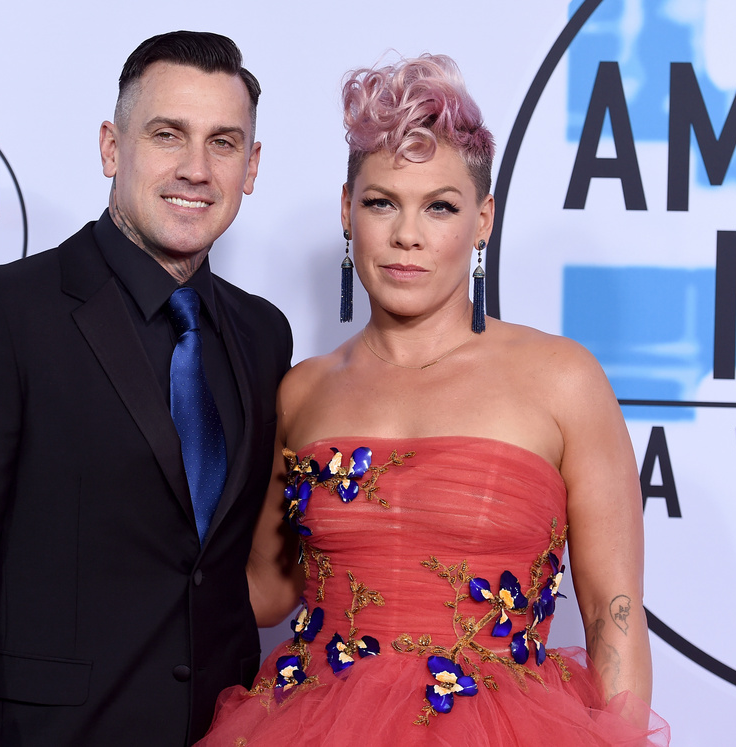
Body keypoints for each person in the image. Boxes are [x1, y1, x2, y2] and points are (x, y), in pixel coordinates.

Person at [199, 54, 669, 745]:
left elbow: (611, 612)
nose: (406, 236)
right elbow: (268, 589)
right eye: (382, 201)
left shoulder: (563, 379)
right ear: (346, 210)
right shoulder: (303, 390)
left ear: (482, 221)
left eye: (439, 206)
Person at [0, 31, 292, 746]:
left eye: (223, 143)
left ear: (251, 167)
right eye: (168, 135)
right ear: (111, 147)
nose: (196, 168)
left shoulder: (263, 335)